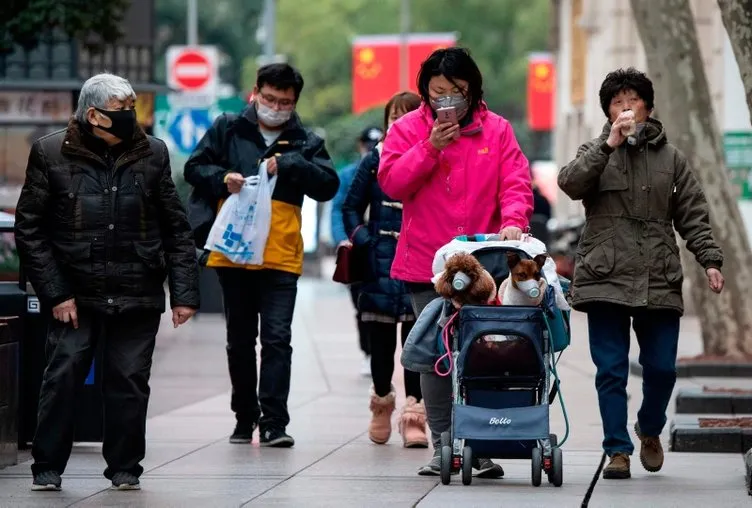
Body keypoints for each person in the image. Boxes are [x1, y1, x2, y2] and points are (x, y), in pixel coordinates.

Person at [15, 73, 200, 491]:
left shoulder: (152, 153)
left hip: (137, 287)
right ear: (94, 114)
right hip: (74, 293)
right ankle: (47, 465)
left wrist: (184, 293)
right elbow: (30, 228)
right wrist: (56, 292)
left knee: (129, 381)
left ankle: (124, 467)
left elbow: (175, 227)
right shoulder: (50, 152)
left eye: (132, 108)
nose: (131, 116)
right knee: (62, 375)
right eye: (122, 110)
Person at [558, 68, 725, 480]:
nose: (626, 108)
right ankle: (617, 449)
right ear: (608, 112)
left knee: (663, 369)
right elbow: (570, 183)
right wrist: (608, 144)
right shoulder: (595, 149)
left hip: (658, 275)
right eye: (617, 102)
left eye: (633, 101)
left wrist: (710, 259)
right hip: (605, 275)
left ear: (648, 109)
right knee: (611, 370)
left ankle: (649, 428)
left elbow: (694, 216)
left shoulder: (672, 160)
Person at [378, 47, 533, 477]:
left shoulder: (497, 130)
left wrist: (514, 223)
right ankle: (444, 444)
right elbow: (391, 181)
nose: (446, 101)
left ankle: (479, 444)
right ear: (425, 92)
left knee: (484, 354)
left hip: (485, 268)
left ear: (473, 91)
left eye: (456, 92)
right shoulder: (409, 129)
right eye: (437, 92)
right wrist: (428, 149)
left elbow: (516, 184)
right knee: (436, 354)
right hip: (426, 266)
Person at [184, 63, 339, 448]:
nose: (274, 106)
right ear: (256, 92)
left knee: (276, 339)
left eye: (284, 101)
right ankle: (244, 416)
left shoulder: (304, 140)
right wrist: (224, 178)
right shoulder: (228, 128)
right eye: (269, 98)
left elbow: (327, 185)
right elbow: (194, 167)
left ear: (294, 102)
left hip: (281, 256)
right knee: (239, 339)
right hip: (233, 254)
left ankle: (274, 423)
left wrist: (289, 163)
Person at [342, 92, 428, 448]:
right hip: (378, 263)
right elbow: (350, 207)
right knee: (379, 346)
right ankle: (381, 405)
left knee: (415, 344)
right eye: (395, 115)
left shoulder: (432, 155)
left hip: (418, 261)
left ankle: (414, 416)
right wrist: (365, 241)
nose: (400, 121)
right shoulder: (375, 159)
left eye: (409, 114)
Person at [331, 126, 383, 377]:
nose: (370, 150)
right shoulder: (349, 174)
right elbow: (339, 209)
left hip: (385, 246)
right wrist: (343, 239)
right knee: (362, 302)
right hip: (359, 246)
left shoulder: (390, 169)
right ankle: (368, 352)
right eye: (367, 145)